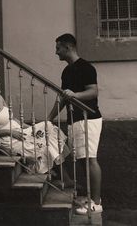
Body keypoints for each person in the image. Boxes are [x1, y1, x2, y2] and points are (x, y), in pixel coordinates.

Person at [48, 33, 103, 214]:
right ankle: (90, 198)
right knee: (82, 160)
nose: (56, 53)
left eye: (58, 48)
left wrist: (75, 95)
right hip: (74, 120)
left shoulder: (86, 67)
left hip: (89, 119)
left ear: (68, 47)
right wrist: (49, 119)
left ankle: (96, 202)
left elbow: (93, 92)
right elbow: (63, 99)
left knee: (90, 160)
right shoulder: (66, 71)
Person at [0, 73, 70, 176]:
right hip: (9, 139)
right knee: (46, 145)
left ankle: (64, 177)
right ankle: (63, 177)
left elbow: (13, 118)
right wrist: (9, 132)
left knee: (48, 127)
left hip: (19, 131)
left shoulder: (0, 99)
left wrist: (29, 127)